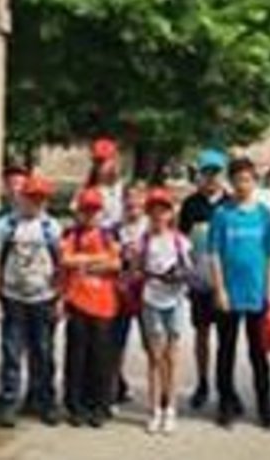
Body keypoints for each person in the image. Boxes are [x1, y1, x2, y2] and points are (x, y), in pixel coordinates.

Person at [209, 156, 270, 429]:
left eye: (247, 180)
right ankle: (226, 405)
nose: (243, 185)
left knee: (258, 354)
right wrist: (220, 289)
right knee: (226, 351)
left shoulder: (264, 215)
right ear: (231, 182)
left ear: (255, 181)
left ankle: (265, 407)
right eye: (238, 180)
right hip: (229, 294)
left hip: (256, 293)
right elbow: (214, 254)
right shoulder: (222, 214)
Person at [0, 173, 64, 429]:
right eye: (32, 197)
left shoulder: (51, 227)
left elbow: (60, 264)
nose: (36, 203)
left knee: (43, 351)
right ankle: (9, 400)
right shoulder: (7, 224)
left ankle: (43, 399)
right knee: (12, 351)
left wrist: (60, 297)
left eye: (41, 198)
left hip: (43, 297)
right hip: (13, 297)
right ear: (22, 197)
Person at [59, 187, 121, 427]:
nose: (90, 215)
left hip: (104, 304)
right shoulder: (71, 234)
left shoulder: (108, 235)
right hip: (77, 301)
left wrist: (84, 262)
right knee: (76, 358)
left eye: (94, 211)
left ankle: (99, 406)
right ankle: (76, 406)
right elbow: (65, 260)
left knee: (101, 359)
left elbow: (116, 263)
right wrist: (97, 259)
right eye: (86, 210)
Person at [177, 148, 230, 409]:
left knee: (226, 337)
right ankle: (202, 382)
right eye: (206, 172)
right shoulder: (190, 205)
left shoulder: (230, 204)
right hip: (199, 281)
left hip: (226, 282)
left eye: (215, 173)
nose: (210, 178)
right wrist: (186, 278)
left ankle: (225, 386)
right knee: (202, 334)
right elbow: (181, 242)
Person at [138, 186, 193, 435]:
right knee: (154, 356)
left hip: (175, 301)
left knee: (172, 356)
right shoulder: (144, 240)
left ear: (171, 214)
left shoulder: (180, 240)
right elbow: (136, 270)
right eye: (154, 210)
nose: (158, 215)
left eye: (163, 210)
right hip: (151, 300)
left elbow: (190, 271)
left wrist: (178, 275)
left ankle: (170, 408)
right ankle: (154, 410)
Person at [113, 181, 149, 406]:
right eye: (129, 197)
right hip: (122, 290)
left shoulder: (153, 227)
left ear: (145, 200)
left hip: (148, 291)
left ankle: (158, 394)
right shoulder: (114, 229)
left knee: (153, 343)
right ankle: (116, 387)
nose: (133, 202)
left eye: (138, 197)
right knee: (116, 342)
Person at [84, 136, 126, 230]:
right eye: (96, 162)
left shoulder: (123, 189)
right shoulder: (87, 189)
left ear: (114, 162)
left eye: (102, 162)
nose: (98, 166)